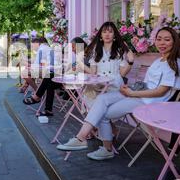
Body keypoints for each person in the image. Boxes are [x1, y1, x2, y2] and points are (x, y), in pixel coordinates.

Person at [57, 27, 180, 160]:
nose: (162, 43)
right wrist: (130, 88)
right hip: (140, 93)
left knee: (103, 114)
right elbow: (147, 84)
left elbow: (161, 91)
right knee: (102, 99)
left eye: (167, 40)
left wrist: (132, 94)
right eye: (159, 39)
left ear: (175, 42)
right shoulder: (158, 61)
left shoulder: (173, 63)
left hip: (149, 101)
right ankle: (82, 138)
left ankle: (104, 147)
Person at [23, 37, 88, 116]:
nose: (71, 48)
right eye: (71, 47)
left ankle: (37, 97)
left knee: (50, 75)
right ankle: (48, 110)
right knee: (50, 81)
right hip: (68, 77)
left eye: (73, 46)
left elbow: (79, 69)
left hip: (76, 80)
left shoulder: (84, 55)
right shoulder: (75, 55)